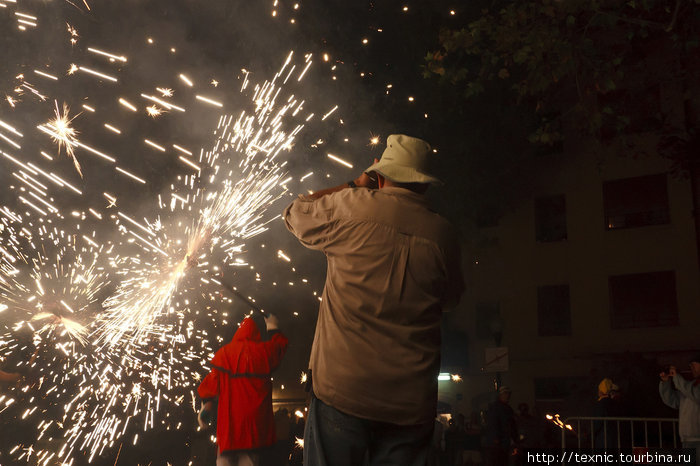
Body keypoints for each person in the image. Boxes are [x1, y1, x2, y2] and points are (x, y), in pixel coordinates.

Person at [284, 134, 465, 465]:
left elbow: (296, 212)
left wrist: (354, 184)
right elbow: (451, 299)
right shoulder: (443, 234)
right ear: (424, 185)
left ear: (379, 175)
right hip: (410, 402)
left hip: (343, 389)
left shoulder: (353, 207)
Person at [198, 312, 289, 466]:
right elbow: (280, 347)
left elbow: (210, 386)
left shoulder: (224, 354)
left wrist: (207, 405)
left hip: (229, 430)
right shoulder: (264, 352)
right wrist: (273, 328)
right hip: (253, 430)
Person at [659, 354, 700, 464]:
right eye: (690, 365)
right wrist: (665, 382)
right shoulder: (690, 386)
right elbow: (673, 401)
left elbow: (696, 394)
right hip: (686, 439)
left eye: (694, 365)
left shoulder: (691, 388)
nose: (691, 368)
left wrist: (677, 378)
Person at [484, 386, 517, 466]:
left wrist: (514, 438)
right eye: (504, 394)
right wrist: (495, 438)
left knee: (504, 460)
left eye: (507, 394)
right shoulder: (495, 407)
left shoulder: (508, 408)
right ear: (500, 395)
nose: (506, 396)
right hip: (498, 442)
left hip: (506, 441)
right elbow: (493, 423)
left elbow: (511, 424)